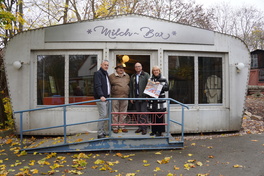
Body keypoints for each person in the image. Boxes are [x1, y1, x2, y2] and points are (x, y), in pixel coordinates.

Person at [147, 66, 169, 136]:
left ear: (159, 71)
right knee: (153, 116)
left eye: (157, 70)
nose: (156, 71)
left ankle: (160, 132)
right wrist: (155, 87)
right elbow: (148, 89)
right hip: (153, 101)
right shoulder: (150, 78)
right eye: (154, 70)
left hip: (160, 101)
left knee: (160, 116)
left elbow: (167, 88)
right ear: (152, 72)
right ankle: (153, 131)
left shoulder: (163, 78)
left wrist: (157, 86)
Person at [109, 64, 130, 133]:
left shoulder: (127, 76)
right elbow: (108, 86)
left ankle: (122, 126)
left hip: (125, 97)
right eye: (119, 68)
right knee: (115, 113)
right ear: (116, 69)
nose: (121, 69)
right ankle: (115, 127)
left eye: (122, 68)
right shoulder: (111, 76)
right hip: (115, 97)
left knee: (123, 113)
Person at [129, 62, 150, 135]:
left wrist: (148, 95)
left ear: (141, 67)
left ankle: (144, 128)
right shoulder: (133, 76)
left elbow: (149, 85)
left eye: (139, 66)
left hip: (144, 97)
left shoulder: (146, 75)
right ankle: (140, 127)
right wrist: (131, 97)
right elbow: (131, 88)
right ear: (135, 68)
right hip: (136, 97)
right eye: (136, 67)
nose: (137, 68)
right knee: (138, 113)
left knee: (143, 113)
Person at [93, 60, 111, 138]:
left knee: (105, 115)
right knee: (102, 115)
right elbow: (97, 85)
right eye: (105, 65)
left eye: (107, 65)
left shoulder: (106, 74)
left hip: (107, 98)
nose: (106, 66)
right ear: (101, 65)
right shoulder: (98, 73)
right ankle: (100, 133)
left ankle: (103, 131)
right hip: (101, 98)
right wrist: (101, 96)